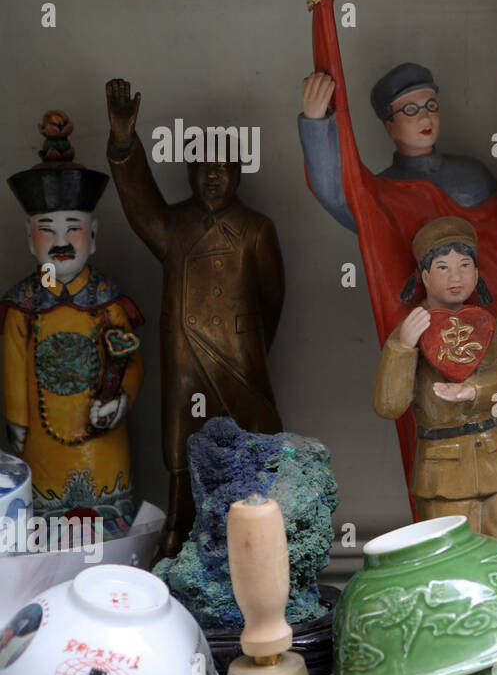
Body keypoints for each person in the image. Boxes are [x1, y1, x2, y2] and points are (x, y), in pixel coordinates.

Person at [105, 79, 285, 559]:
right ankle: (180, 536)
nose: (212, 177)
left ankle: (255, 536)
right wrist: (124, 144)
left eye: (223, 169)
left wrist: (250, 344)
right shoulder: (174, 226)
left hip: (239, 357)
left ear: (238, 173)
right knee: (183, 449)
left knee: (251, 446)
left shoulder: (256, 229)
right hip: (185, 354)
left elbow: (273, 300)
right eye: (203, 168)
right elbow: (139, 202)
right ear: (188, 172)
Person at [373, 217, 497, 586]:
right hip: (442, 471)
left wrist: (476, 388)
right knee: (454, 568)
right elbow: (389, 406)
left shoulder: (490, 325)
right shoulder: (410, 334)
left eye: (465, 265)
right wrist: (402, 347)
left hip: (495, 464)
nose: (456, 276)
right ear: (423, 276)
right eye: (442, 267)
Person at [3, 151, 142, 537]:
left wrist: (123, 399)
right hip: (42, 444)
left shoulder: (110, 302)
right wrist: (16, 421)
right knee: (47, 530)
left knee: (105, 526)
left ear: (93, 235)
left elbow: (134, 362)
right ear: (28, 238)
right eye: (47, 229)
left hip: (102, 442)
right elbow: (13, 366)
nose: (61, 241)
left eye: (73, 228)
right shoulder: (21, 306)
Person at [299, 62, 497, 232]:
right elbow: (338, 196)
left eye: (431, 106)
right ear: (390, 127)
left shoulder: (474, 173)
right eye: (411, 110)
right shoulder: (383, 192)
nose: (425, 117)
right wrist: (315, 122)